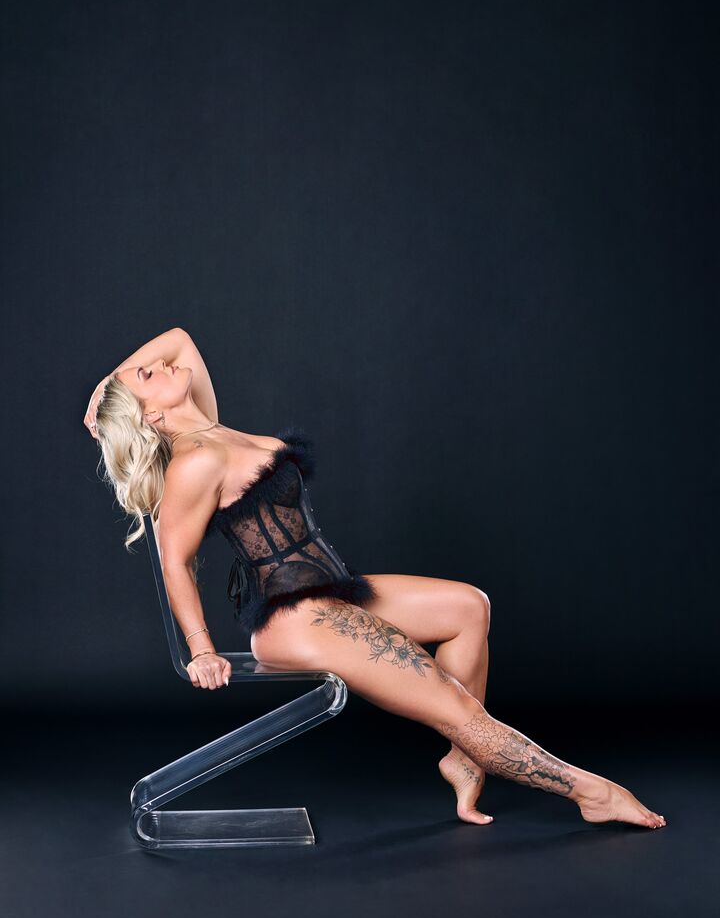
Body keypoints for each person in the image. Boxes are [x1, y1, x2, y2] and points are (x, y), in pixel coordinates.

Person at [84, 327, 666, 831]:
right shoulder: (194, 462)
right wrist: (202, 649)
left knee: (469, 608)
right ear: (151, 417)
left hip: (333, 589)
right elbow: (174, 561)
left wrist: (107, 389)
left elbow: (179, 339)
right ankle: (593, 794)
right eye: (147, 376)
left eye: (150, 367)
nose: (159, 365)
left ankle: (464, 760)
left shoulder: (211, 426)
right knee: (454, 705)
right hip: (296, 617)